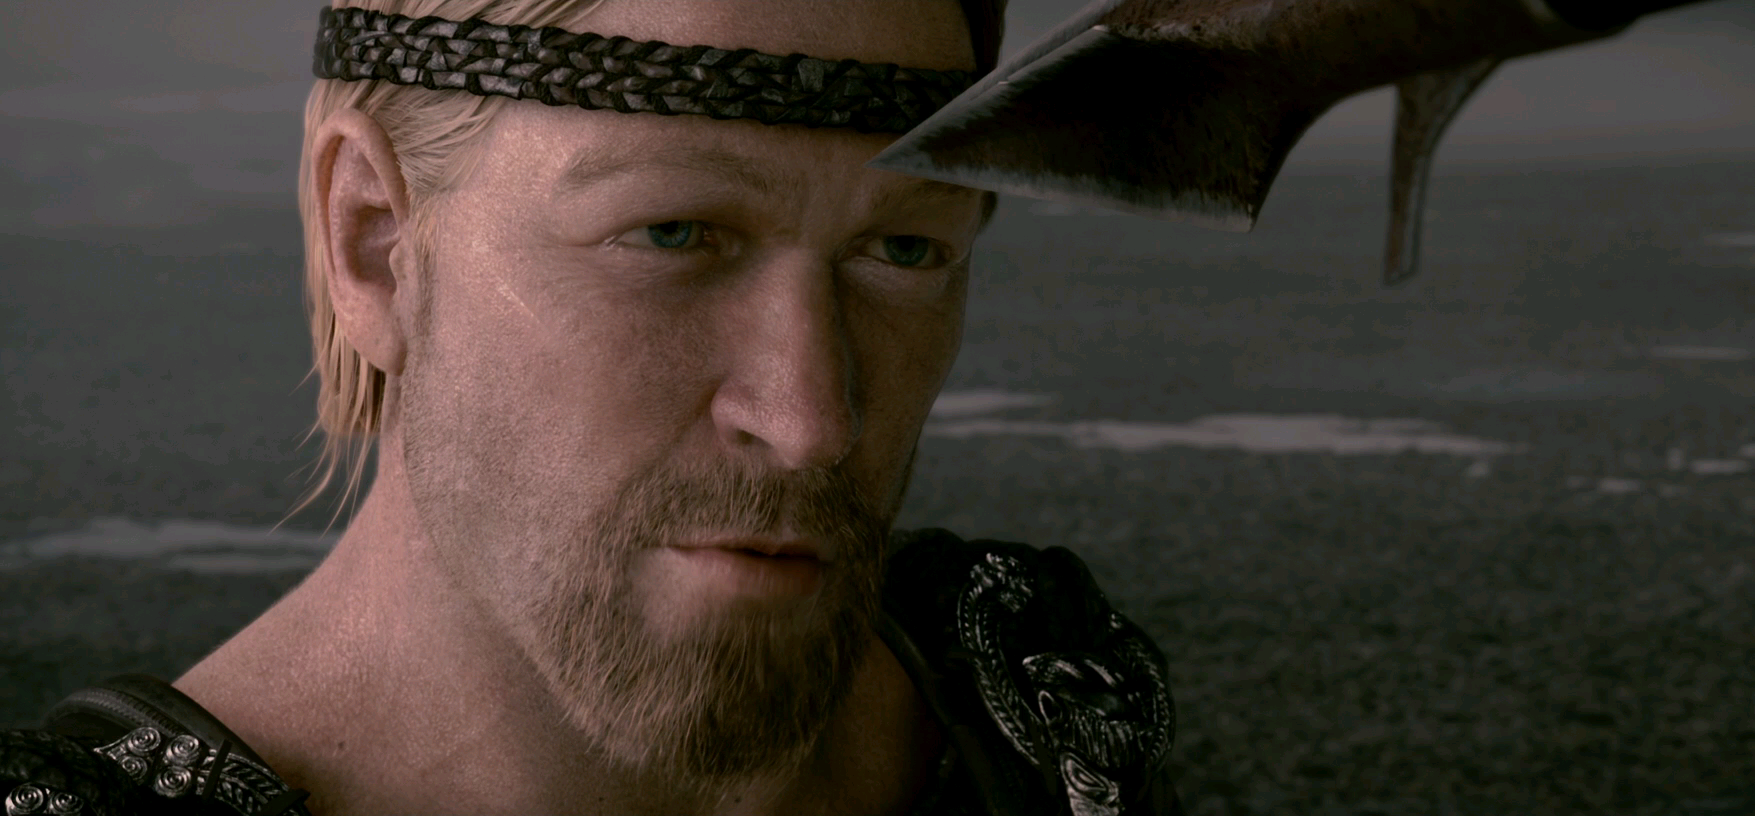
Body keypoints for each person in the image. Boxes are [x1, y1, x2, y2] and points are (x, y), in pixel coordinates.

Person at [1, 1, 1182, 814]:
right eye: (673, 232)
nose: (811, 418)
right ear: (375, 243)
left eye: (906, 250)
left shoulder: (1033, 706)